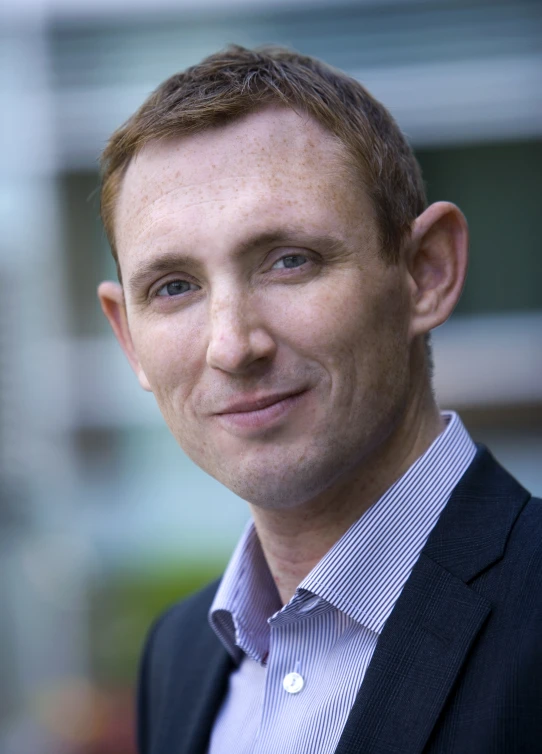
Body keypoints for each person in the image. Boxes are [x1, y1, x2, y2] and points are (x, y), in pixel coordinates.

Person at [97, 46, 542, 754]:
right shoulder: (177, 657)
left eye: (289, 261)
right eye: (175, 287)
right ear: (128, 338)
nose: (232, 345)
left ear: (426, 272)